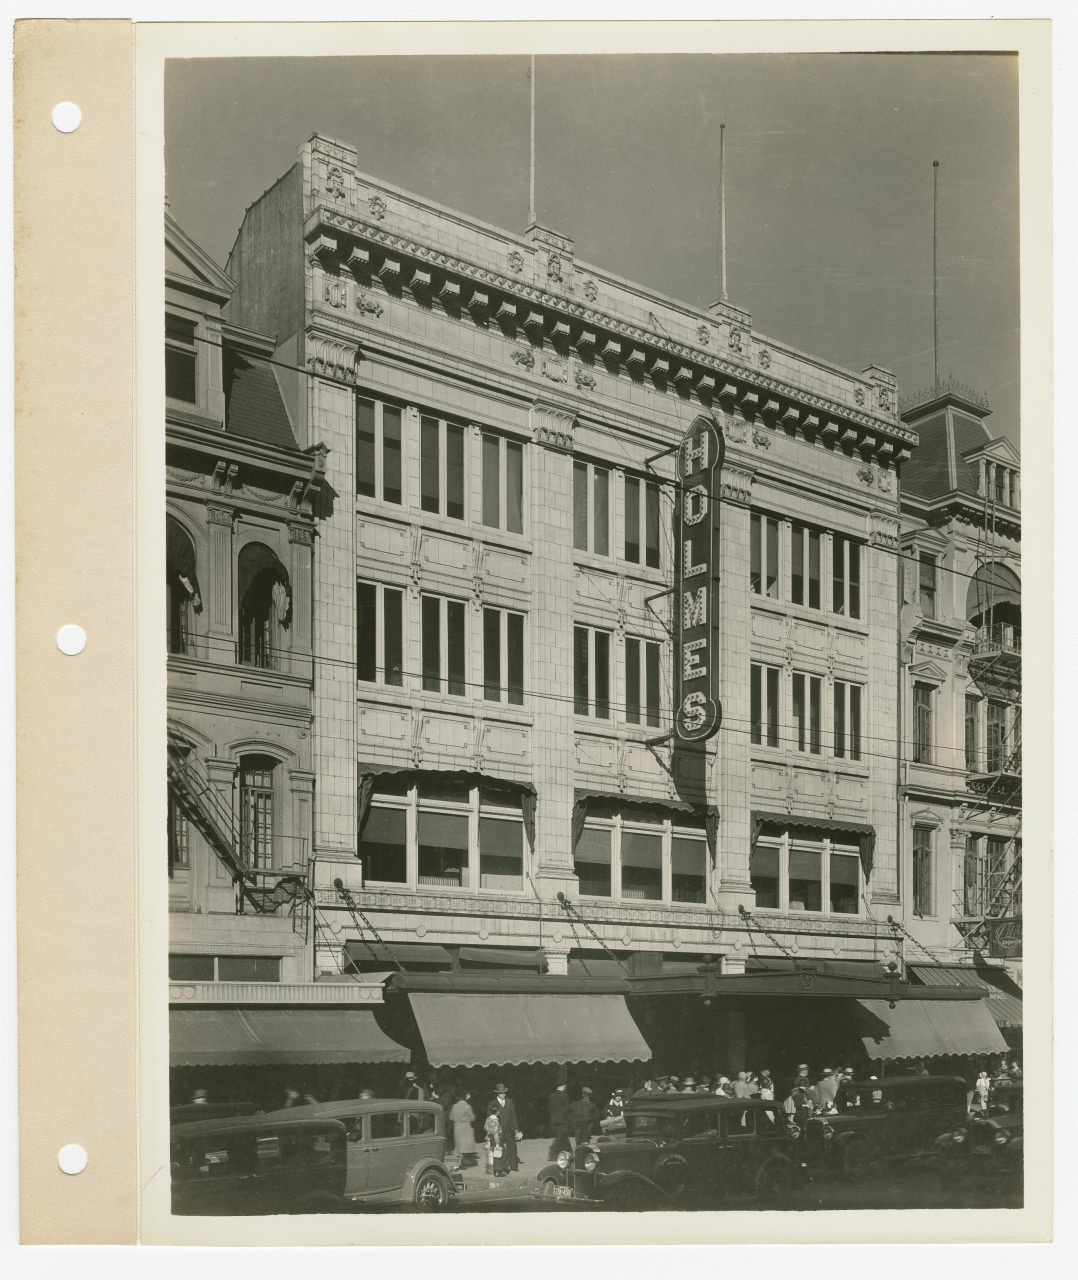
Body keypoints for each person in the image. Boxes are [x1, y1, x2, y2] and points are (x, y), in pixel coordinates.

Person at [489, 1084, 521, 1175]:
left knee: (512, 1147)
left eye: (504, 1093)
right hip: (499, 1130)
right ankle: (503, 1167)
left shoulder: (510, 1102)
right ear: (497, 1093)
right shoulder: (492, 1103)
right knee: (500, 1149)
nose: (503, 1094)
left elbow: (513, 1116)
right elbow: (490, 1117)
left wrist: (516, 1129)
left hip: (509, 1129)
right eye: (501, 1093)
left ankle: (514, 1166)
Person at [449, 1090, 478, 1169]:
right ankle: (460, 1163)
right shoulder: (467, 1106)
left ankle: (460, 1163)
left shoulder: (455, 1106)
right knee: (465, 1146)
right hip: (465, 1127)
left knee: (460, 1146)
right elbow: (472, 1118)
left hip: (457, 1127)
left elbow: (451, 1117)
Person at [547, 1081, 573, 1159]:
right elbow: (566, 1108)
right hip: (563, 1119)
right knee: (561, 1136)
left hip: (555, 1119)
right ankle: (553, 1154)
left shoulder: (552, 1096)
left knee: (564, 1135)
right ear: (563, 1086)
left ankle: (569, 1151)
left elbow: (550, 1108)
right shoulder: (564, 1095)